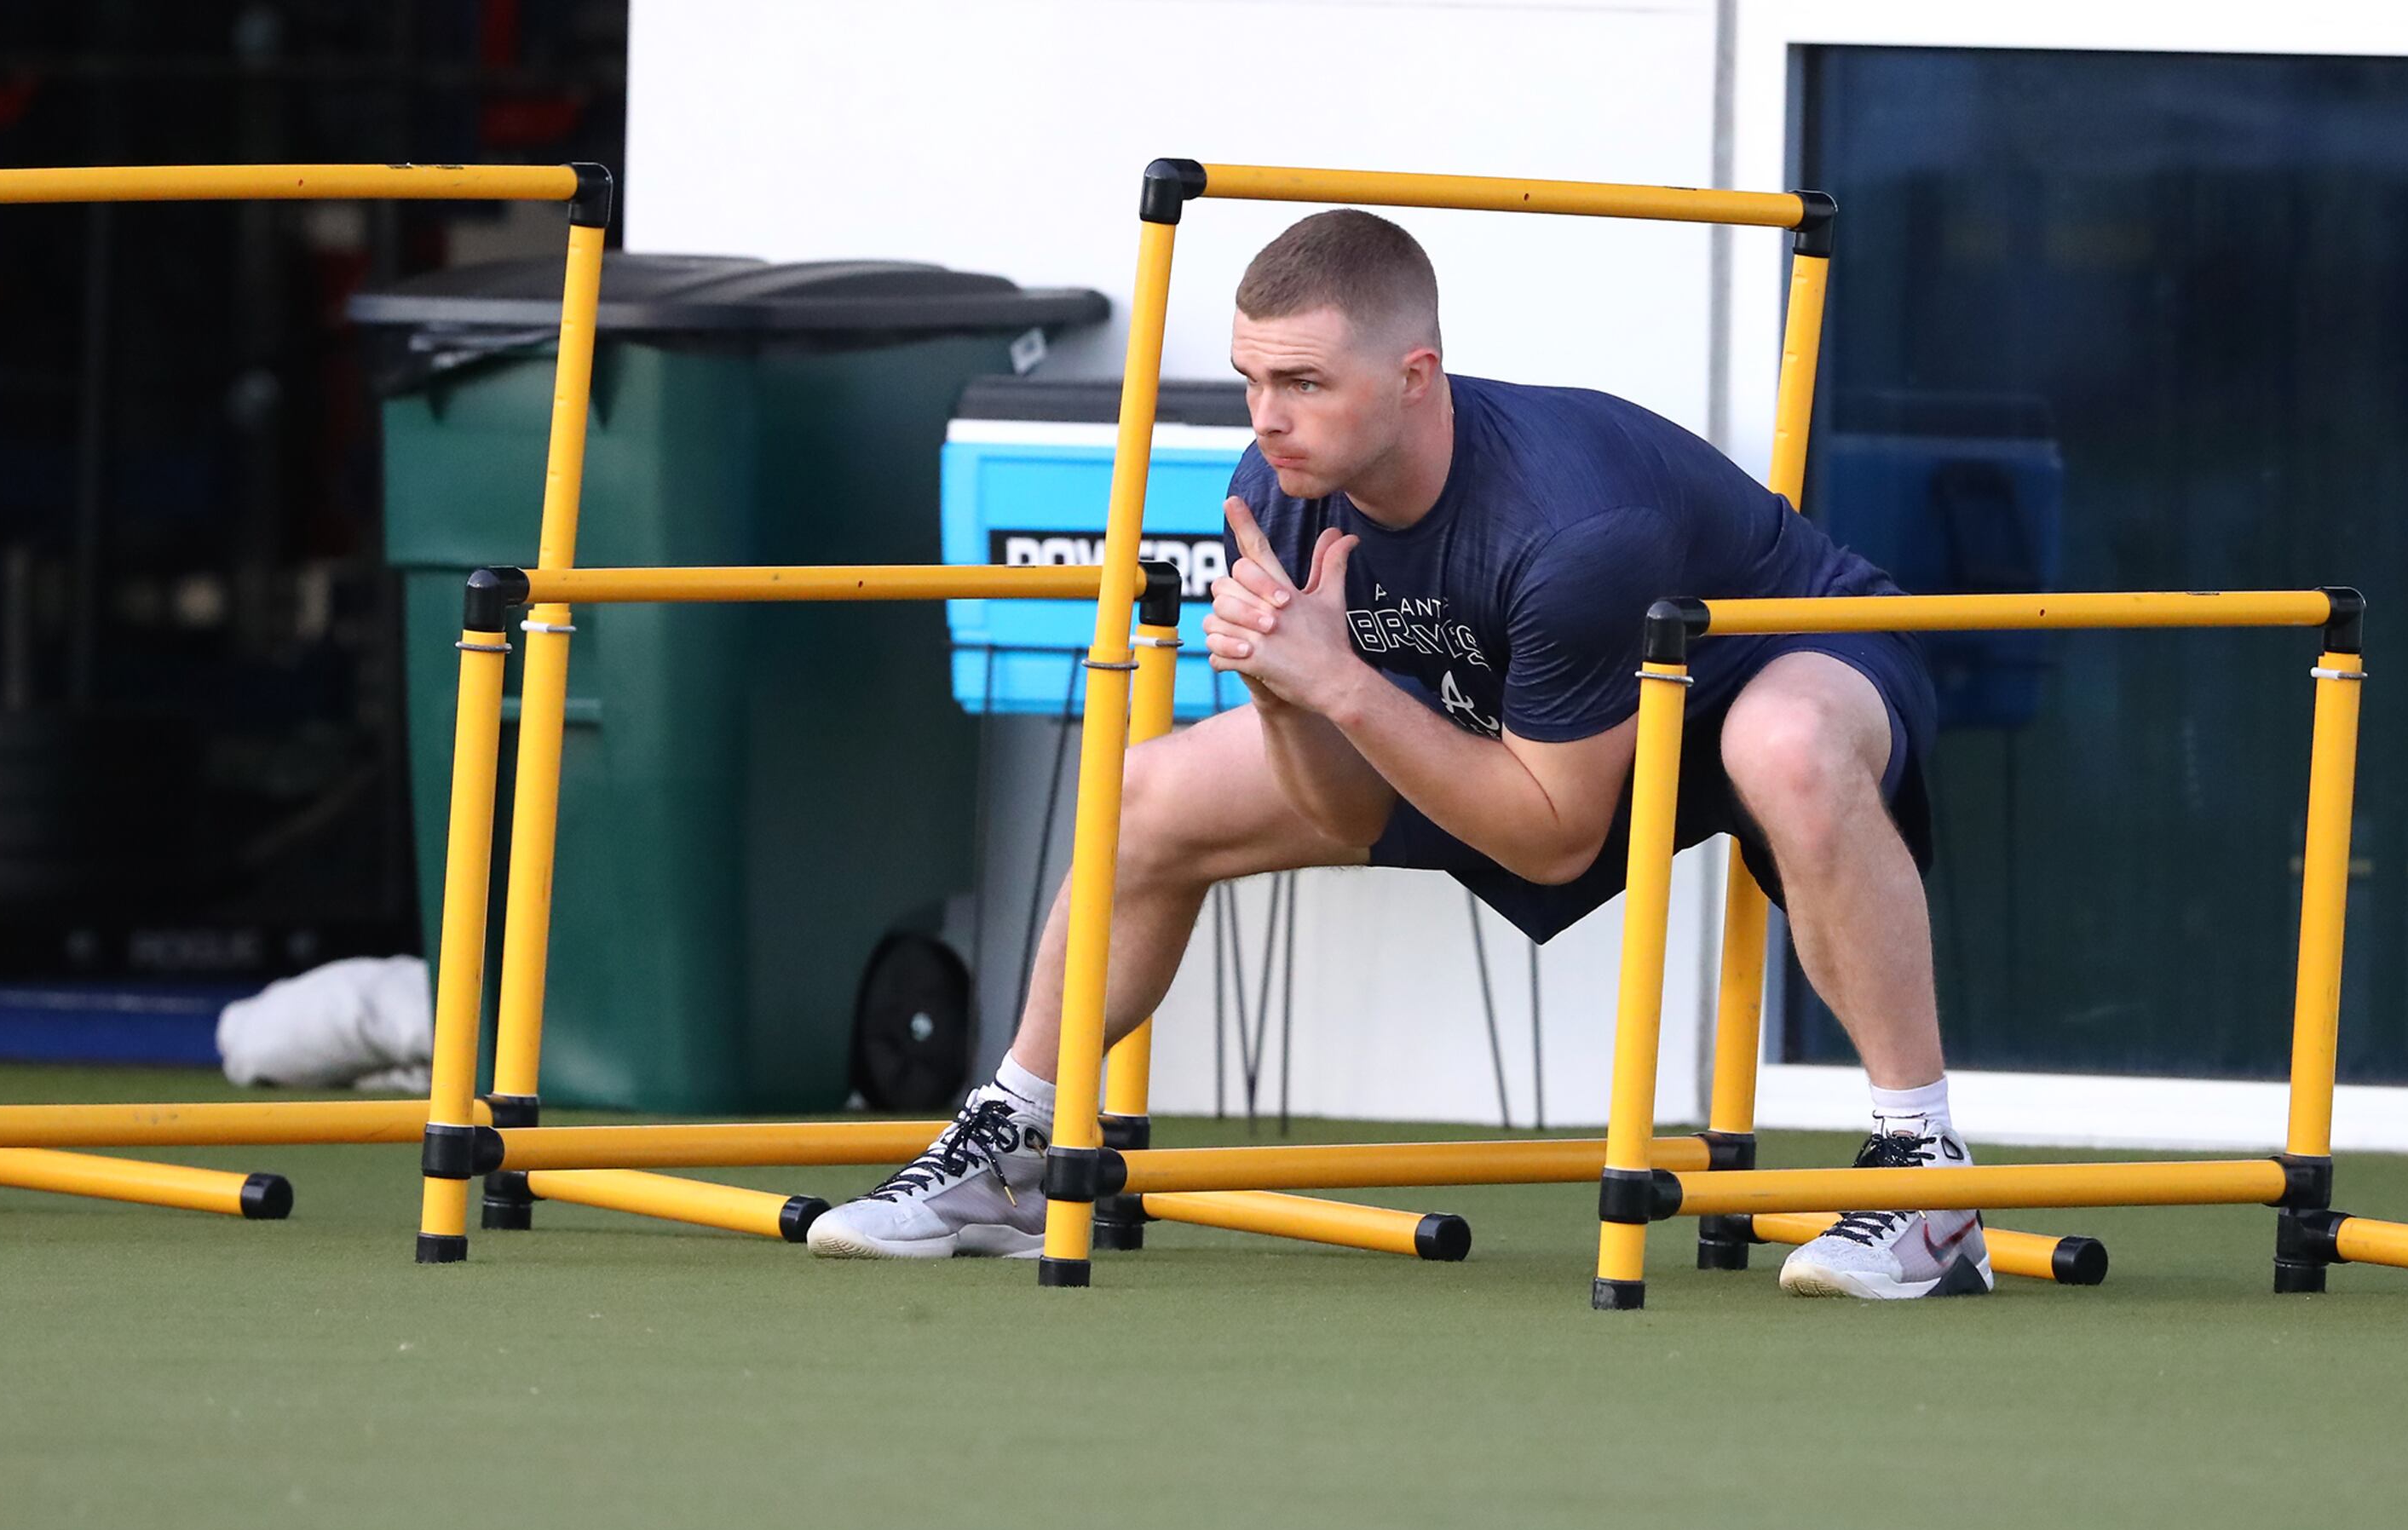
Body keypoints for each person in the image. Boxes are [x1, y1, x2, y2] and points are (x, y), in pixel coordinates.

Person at [809, 210, 1983, 1299]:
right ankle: (1011, 1140)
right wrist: (1288, 691)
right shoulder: (1274, 490)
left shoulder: (1571, 525)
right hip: (1525, 716)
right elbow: (1340, 808)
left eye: (1305, 382)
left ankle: (1924, 1173)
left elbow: (1554, 833)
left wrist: (1347, 686)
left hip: (1760, 660)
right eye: (1253, 378)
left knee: (1779, 745)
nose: (1267, 417)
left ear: (1417, 378)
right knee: (1153, 791)